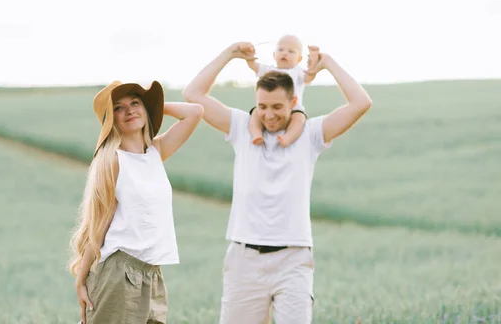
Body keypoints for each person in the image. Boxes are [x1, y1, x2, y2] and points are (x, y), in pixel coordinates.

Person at [182, 42, 372, 323]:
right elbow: (192, 94)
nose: (269, 115)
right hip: (244, 259)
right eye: (262, 107)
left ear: (294, 103)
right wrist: (229, 55)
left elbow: (361, 103)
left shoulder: (311, 133)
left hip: (293, 260)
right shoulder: (240, 127)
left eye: (277, 107)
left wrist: (328, 63)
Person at [68, 80, 204, 324]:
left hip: (152, 272)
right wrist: (82, 277)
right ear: (111, 120)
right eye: (119, 108)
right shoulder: (112, 160)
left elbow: (195, 112)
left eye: (135, 103)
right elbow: (101, 222)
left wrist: (153, 107)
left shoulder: (155, 152)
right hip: (120, 270)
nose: (129, 110)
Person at [247, 35, 320, 147]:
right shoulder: (268, 69)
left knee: (299, 120)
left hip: (294, 109)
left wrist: (314, 58)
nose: (285, 53)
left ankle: (288, 137)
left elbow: (310, 76)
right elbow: (253, 65)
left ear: (299, 59)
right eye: (281, 50)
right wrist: (249, 55)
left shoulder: (298, 72)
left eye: (291, 51)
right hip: (269, 106)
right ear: (274, 54)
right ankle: (256, 133)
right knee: (255, 114)